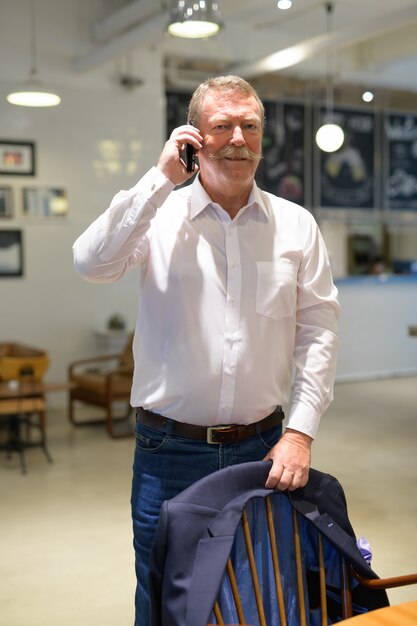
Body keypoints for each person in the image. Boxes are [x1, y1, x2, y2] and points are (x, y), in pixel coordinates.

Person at [73, 75, 339, 626]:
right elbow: (91, 263)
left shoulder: (296, 226)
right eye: (222, 125)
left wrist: (300, 433)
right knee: (162, 594)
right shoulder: (160, 215)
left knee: (259, 591)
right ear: (195, 136)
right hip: (168, 452)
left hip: (265, 452)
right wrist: (160, 178)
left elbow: (318, 331)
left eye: (250, 126)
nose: (238, 138)